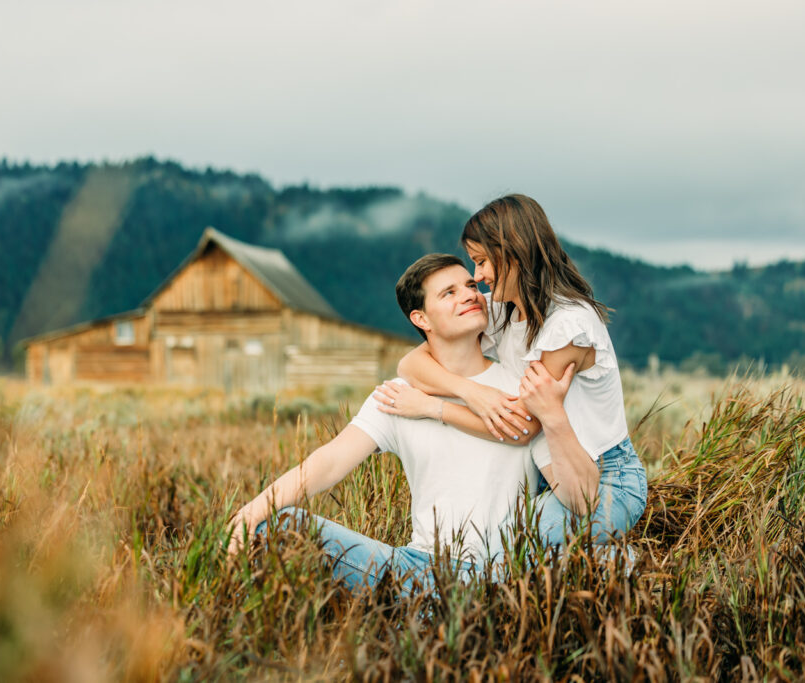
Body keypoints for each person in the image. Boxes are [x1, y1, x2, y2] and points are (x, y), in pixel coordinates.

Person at [226, 254, 542, 595]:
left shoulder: (520, 381)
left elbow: (530, 435)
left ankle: (419, 620)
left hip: (505, 577)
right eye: (448, 293)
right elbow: (329, 462)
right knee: (281, 525)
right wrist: (251, 511)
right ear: (421, 318)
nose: (469, 294)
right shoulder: (398, 396)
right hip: (420, 571)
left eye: (470, 285)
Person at [378, 194, 647, 547]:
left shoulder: (568, 327)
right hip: (544, 475)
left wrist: (434, 408)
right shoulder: (505, 309)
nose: (479, 276)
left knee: (504, 552)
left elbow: (521, 425)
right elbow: (411, 362)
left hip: (605, 477)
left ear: (514, 251)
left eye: (482, 262)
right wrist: (470, 391)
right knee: (481, 547)